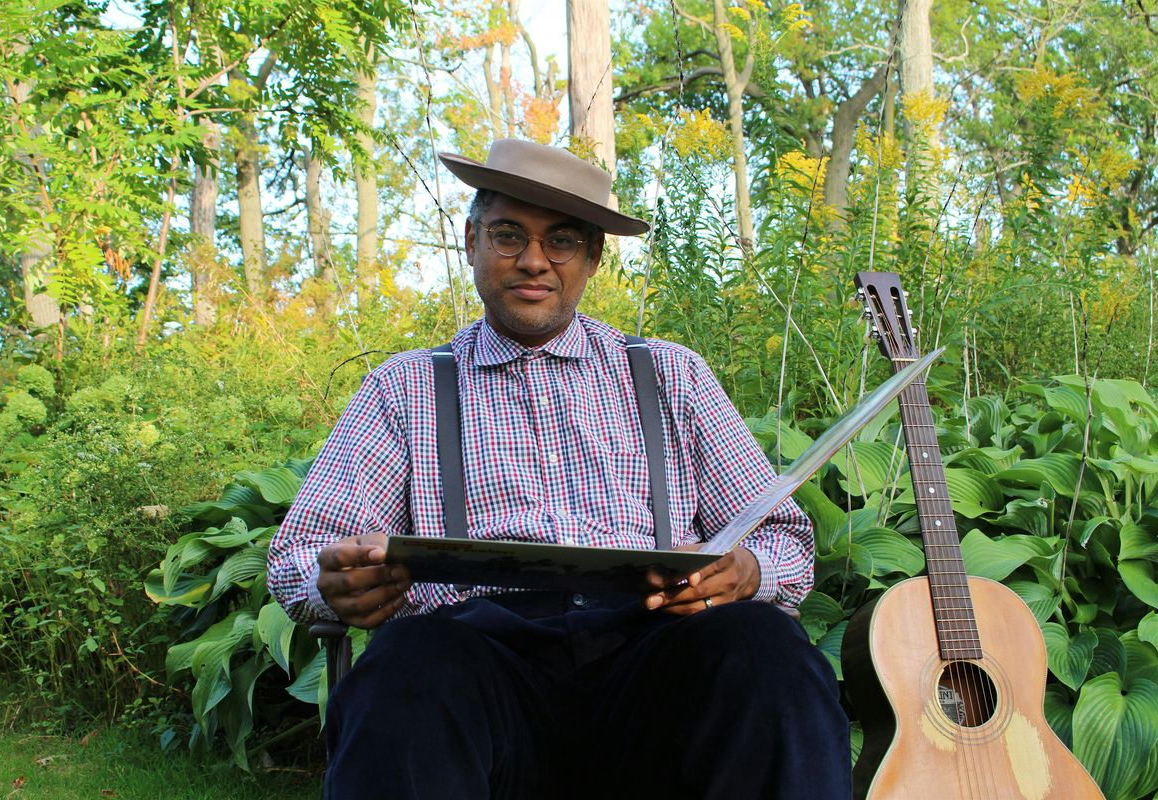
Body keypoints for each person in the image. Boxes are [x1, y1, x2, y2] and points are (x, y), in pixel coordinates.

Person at [268, 138, 850, 799]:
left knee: (763, 649)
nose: (534, 261)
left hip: (655, 667)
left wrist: (749, 571)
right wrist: (335, 581)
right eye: (509, 234)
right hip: (479, 670)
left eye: (563, 241)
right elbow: (300, 551)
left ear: (594, 257)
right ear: (471, 241)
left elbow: (785, 536)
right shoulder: (404, 388)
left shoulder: (671, 373)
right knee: (407, 665)